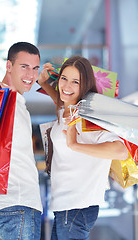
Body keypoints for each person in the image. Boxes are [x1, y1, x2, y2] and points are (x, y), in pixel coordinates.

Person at [38, 56, 128, 240]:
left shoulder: (88, 117)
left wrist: (75, 145)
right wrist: (44, 84)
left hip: (77, 206)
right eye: (64, 78)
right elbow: (63, 101)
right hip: (65, 207)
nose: (67, 86)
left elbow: (120, 150)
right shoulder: (69, 110)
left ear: (84, 85)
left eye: (75, 81)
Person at [0, 42, 44, 240]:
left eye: (35, 69)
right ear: (9, 66)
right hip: (18, 205)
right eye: (24, 67)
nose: (31, 75)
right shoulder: (9, 101)